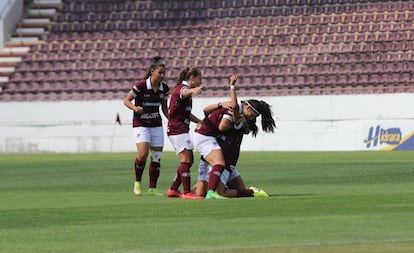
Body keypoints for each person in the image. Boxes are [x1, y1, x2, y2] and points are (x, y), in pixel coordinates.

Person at [193, 75, 276, 199]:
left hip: (227, 160)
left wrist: (232, 87)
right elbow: (207, 110)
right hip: (220, 157)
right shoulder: (232, 114)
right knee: (201, 192)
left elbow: (228, 119)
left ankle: (252, 192)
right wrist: (215, 110)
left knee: (223, 192)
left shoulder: (241, 122)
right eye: (253, 114)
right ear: (247, 108)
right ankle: (202, 190)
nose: (253, 118)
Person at [123, 56, 169, 196]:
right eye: (159, 72)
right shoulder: (141, 85)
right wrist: (135, 108)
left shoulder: (164, 88)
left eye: (163, 73)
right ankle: (137, 183)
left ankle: (152, 188)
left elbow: (165, 109)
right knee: (142, 154)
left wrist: (172, 120)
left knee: (156, 156)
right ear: (152, 71)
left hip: (156, 124)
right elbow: (126, 100)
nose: (162, 75)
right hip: (141, 124)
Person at [166, 67, 204, 199]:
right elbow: (184, 92)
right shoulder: (181, 89)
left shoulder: (185, 91)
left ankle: (173, 189)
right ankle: (187, 192)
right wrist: (194, 90)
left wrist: (199, 121)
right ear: (191, 78)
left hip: (180, 129)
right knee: (186, 159)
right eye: (199, 79)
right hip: (177, 129)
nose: (200, 82)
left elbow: (186, 113)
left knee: (188, 160)